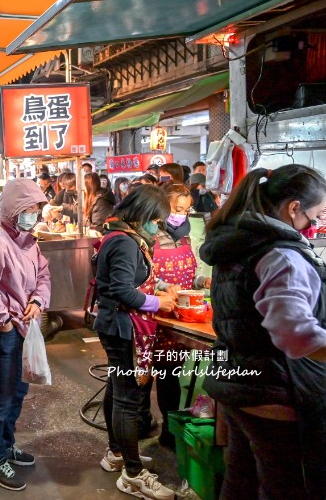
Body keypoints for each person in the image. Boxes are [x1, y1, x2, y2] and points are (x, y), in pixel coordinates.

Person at [200, 165, 326, 499]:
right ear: (293, 208)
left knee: (240, 480)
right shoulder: (282, 256)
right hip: (272, 393)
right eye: (314, 216)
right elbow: (296, 335)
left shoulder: (237, 242)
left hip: (237, 382)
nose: (314, 225)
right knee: (284, 489)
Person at [92, 185, 176, 500]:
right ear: (142, 214)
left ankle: (116, 453)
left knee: (118, 388)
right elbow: (124, 291)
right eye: (157, 219)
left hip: (114, 326)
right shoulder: (126, 243)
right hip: (122, 328)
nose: (160, 226)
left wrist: (162, 287)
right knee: (128, 399)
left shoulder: (120, 235)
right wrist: (158, 303)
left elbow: (133, 279)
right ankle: (132, 473)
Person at [0, 179, 51, 491]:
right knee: (1, 396)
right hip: (3, 330)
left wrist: (37, 301)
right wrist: (2, 319)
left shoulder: (29, 240)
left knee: (18, 392)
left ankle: (5, 446)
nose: (34, 215)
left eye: (36, 209)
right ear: (14, 209)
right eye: (30, 209)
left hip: (25, 326)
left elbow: (43, 275)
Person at [149, 183, 211, 447]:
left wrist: (200, 281)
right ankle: (166, 430)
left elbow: (190, 273)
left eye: (186, 210)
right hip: (159, 315)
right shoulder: (151, 235)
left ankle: (175, 427)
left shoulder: (185, 237)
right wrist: (164, 288)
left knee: (178, 372)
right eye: (177, 209)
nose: (181, 215)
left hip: (185, 315)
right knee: (164, 375)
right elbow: (146, 277)